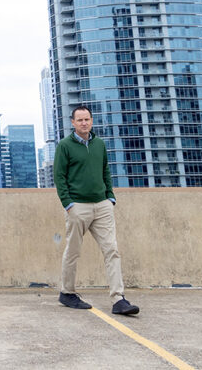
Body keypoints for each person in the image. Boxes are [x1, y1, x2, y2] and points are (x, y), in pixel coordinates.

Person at [53, 106, 139, 316]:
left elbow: (105, 171)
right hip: (77, 206)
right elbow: (59, 177)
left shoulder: (99, 144)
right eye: (80, 120)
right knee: (73, 251)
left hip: (102, 205)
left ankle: (118, 299)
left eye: (87, 119)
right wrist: (68, 204)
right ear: (72, 122)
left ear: (92, 121)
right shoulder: (65, 146)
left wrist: (110, 197)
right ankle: (67, 292)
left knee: (112, 250)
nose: (84, 123)